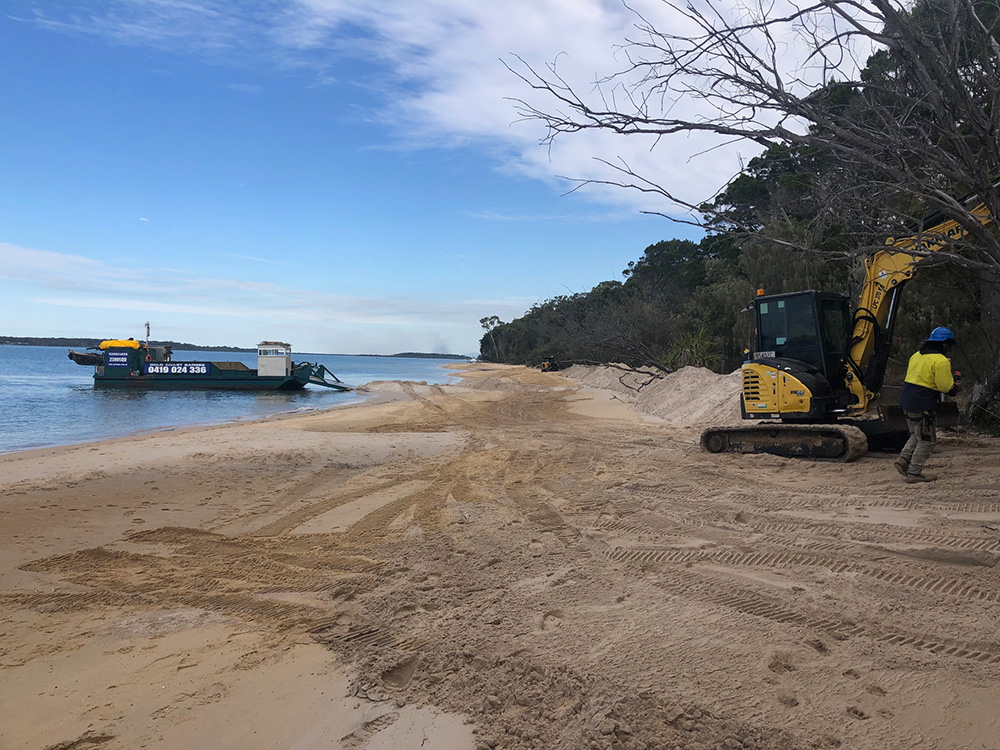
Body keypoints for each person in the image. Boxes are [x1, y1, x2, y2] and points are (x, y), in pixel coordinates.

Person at [894, 327, 960, 483]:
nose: (950, 348)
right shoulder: (941, 361)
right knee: (927, 440)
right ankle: (914, 473)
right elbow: (945, 387)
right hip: (922, 404)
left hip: (906, 401)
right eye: (949, 345)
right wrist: (957, 387)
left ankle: (903, 460)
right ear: (944, 344)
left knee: (916, 434)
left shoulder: (916, 356)